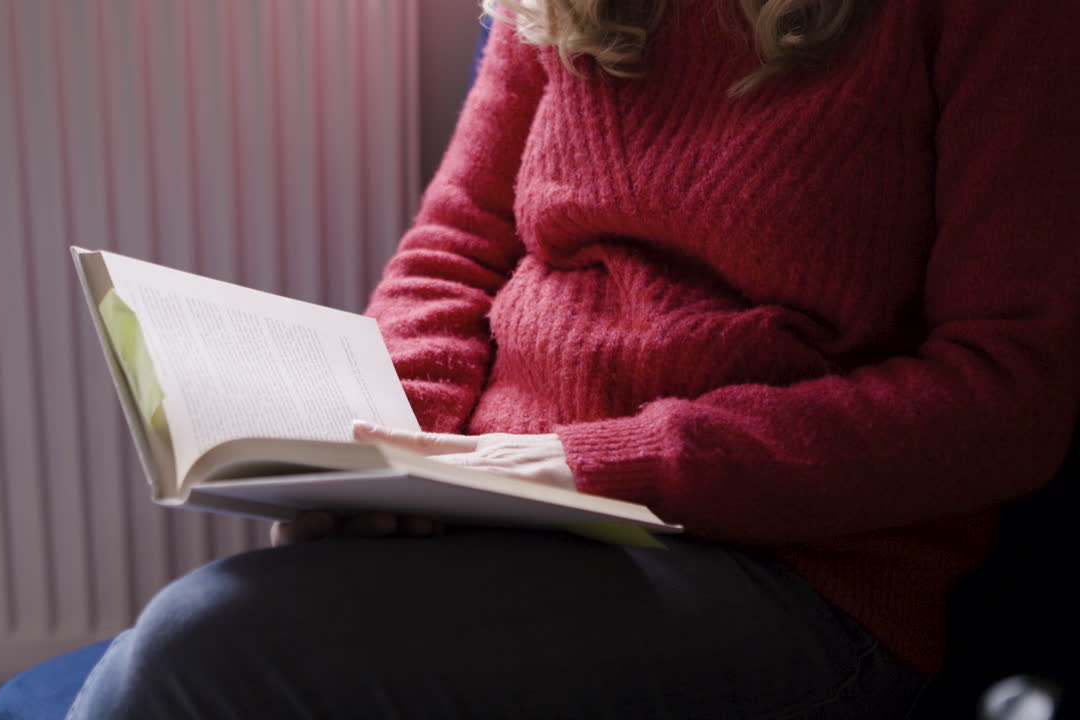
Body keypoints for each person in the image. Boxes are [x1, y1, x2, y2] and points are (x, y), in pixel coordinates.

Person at [68, 0, 1079, 717]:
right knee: (231, 632)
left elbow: (1004, 396)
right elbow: (455, 244)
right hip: (500, 510)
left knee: (201, 646)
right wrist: (384, 447)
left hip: (782, 576)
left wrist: (591, 463)